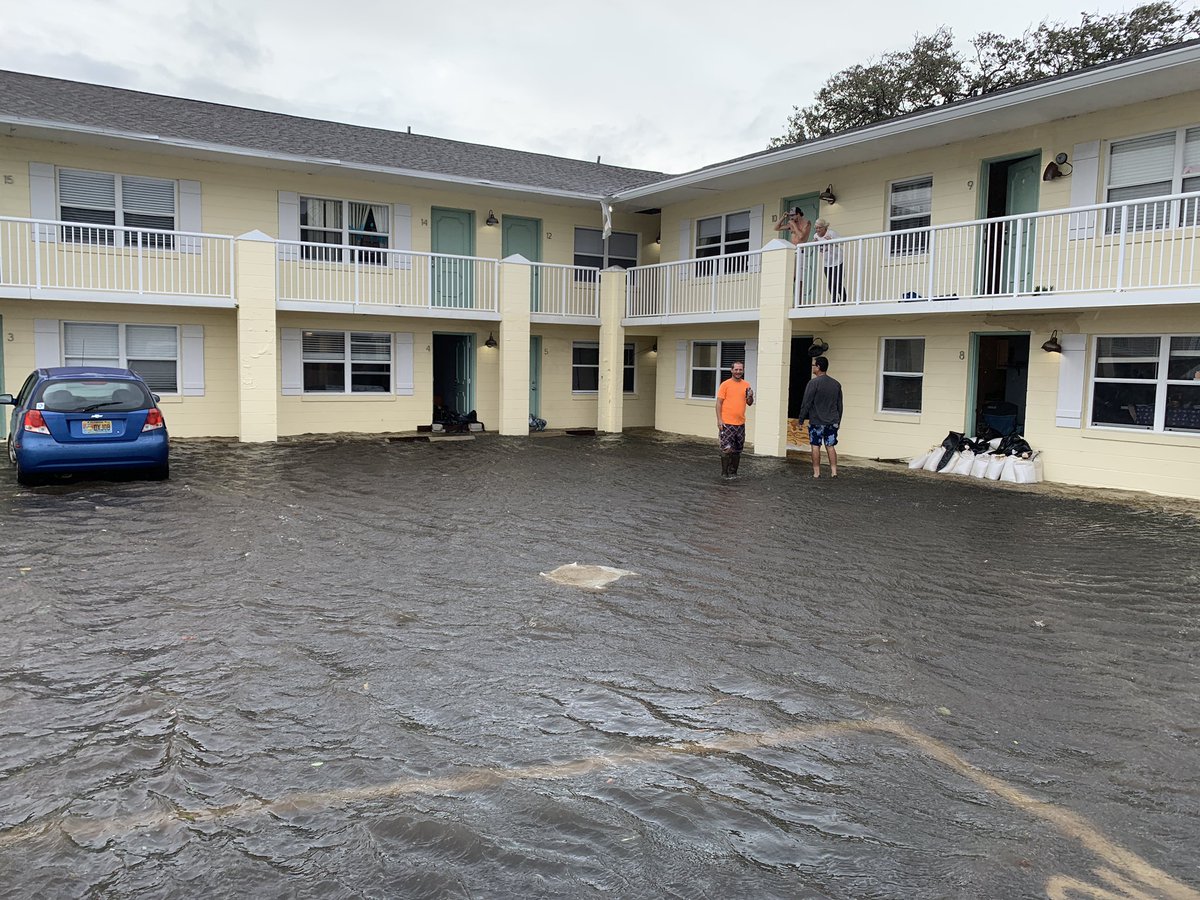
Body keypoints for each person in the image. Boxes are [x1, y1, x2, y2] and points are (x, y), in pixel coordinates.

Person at [798, 356, 843, 478]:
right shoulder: (836, 384)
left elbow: (806, 402)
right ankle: (834, 472)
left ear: (818, 367)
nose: (812, 367)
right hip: (832, 421)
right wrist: (838, 421)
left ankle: (816, 473)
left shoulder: (813, 383)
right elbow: (840, 405)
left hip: (817, 421)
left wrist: (801, 419)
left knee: (815, 445)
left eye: (813, 365)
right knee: (830, 446)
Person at [715, 360, 754, 479]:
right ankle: (724, 473)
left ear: (743, 370)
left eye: (740, 369)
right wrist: (719, 420)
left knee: (737, 450)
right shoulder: (725, 384)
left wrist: (750, 396)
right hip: (727, 423)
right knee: (726, 449)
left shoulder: (746, 385)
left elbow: (750, 403)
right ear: (731, 370)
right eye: (736, 369)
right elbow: (719, 403)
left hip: (740, 423)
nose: (738, 372)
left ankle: (734, 473)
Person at [812, 218, 847, 302]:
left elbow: (842, 242)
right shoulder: (815, 236)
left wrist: (831, 240)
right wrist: (814, 243)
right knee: (830, 283)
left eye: (820, 227)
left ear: (824, 227)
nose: (818, 230)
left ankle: (843, 297)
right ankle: (835, 301)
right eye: (816, 228)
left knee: (837, 282)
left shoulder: (831, 233)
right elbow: (819, 248)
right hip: (827, 263)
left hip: (837, 260)